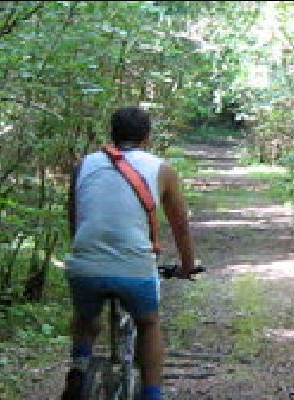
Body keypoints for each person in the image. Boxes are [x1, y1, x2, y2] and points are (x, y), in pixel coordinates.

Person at [61, 105, 197, 400]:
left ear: (111, 133)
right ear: (147, 137)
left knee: (86, 316)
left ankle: (80, 365)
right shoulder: (162, 170)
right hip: (134, 268)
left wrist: (85, 255)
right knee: (148, 323)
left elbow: (75, 217)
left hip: (85, 264)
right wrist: (187, 266)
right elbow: (180, 226)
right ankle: (151, 394)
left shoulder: (83, 165)